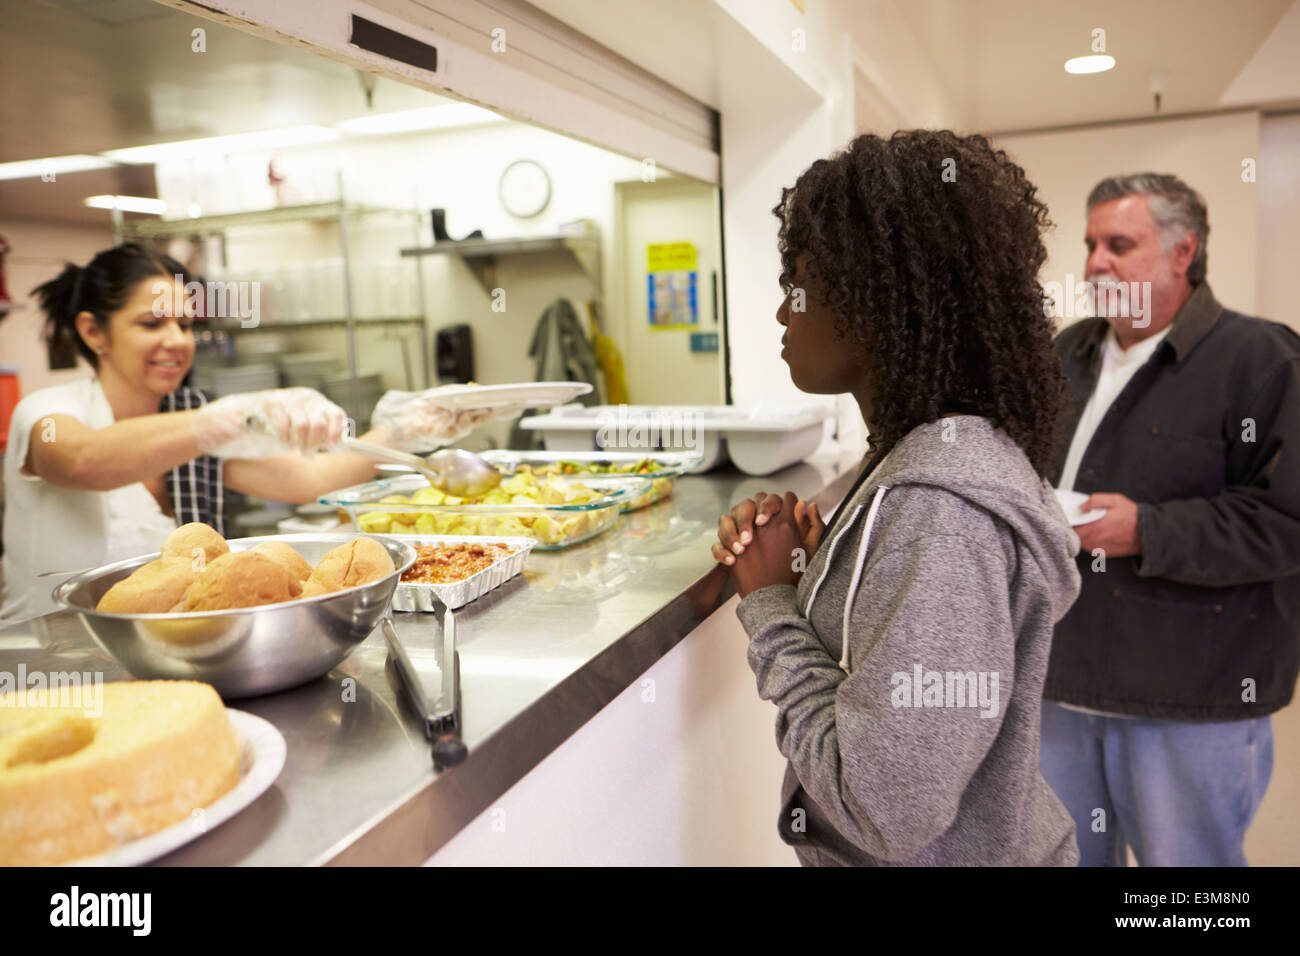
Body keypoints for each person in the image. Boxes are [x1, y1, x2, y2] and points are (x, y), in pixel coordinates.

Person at [710, 130, 1081, 865]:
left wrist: (774, 609)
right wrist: (838, 570)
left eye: (801, 287)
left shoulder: (937, 516)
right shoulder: (932, 459)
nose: (784, 315)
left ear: (881, 299)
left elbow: (886, 810)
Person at [1, 243, 505, 621]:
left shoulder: (189, 424)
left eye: (185, 323)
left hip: (161, 653)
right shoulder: (46, 410)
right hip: (47, 663)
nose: (177, 341)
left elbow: (311, 479)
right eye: (152, 324)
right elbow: (82, 460)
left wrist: (406, 429)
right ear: (93, 332)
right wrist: (223, 419)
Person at [1039, 173, 1300, 867]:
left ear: (1184, 252)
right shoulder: (1067, 355)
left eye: (1119, 244)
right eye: (1091, 243)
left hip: (1188, 700)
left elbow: (1285, 521)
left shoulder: (1261, 360)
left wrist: (1147, 530)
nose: (1095, 262)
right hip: (1060, 686)